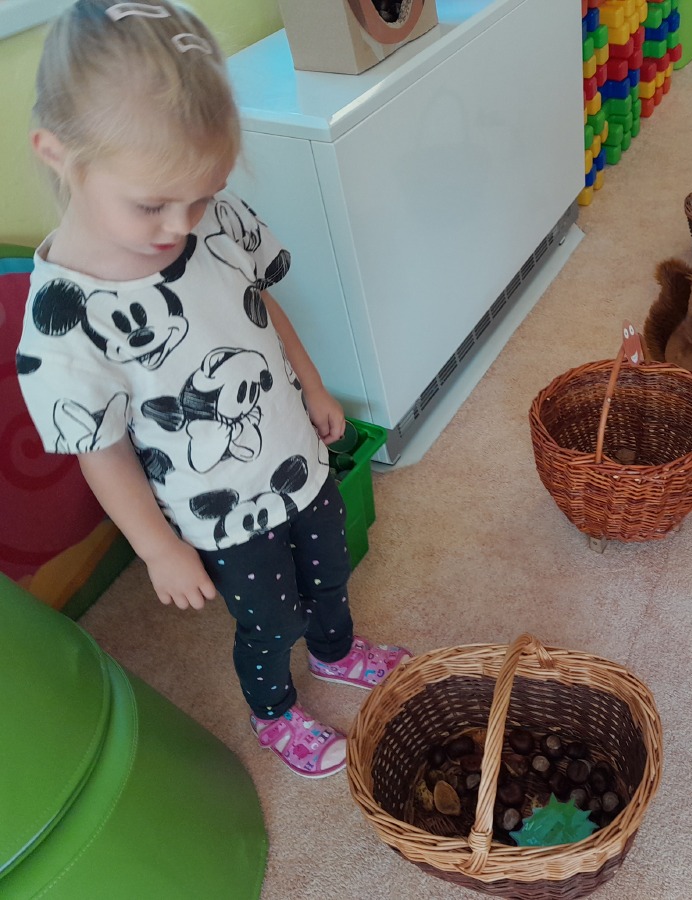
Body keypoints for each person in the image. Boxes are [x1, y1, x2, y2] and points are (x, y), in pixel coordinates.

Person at [16, 1, 410, 779]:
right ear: (58, 155)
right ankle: (275, 712)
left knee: (331, 569)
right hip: (219, 511)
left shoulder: (213, 220)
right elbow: (100, 450)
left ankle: (336, 652)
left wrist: (313, 384)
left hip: (295, 456)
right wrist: (157, 548)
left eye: (199, 195)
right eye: (151, 204)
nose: (179, 225)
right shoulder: (64, 321)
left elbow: (259, 299)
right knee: (269, 619)